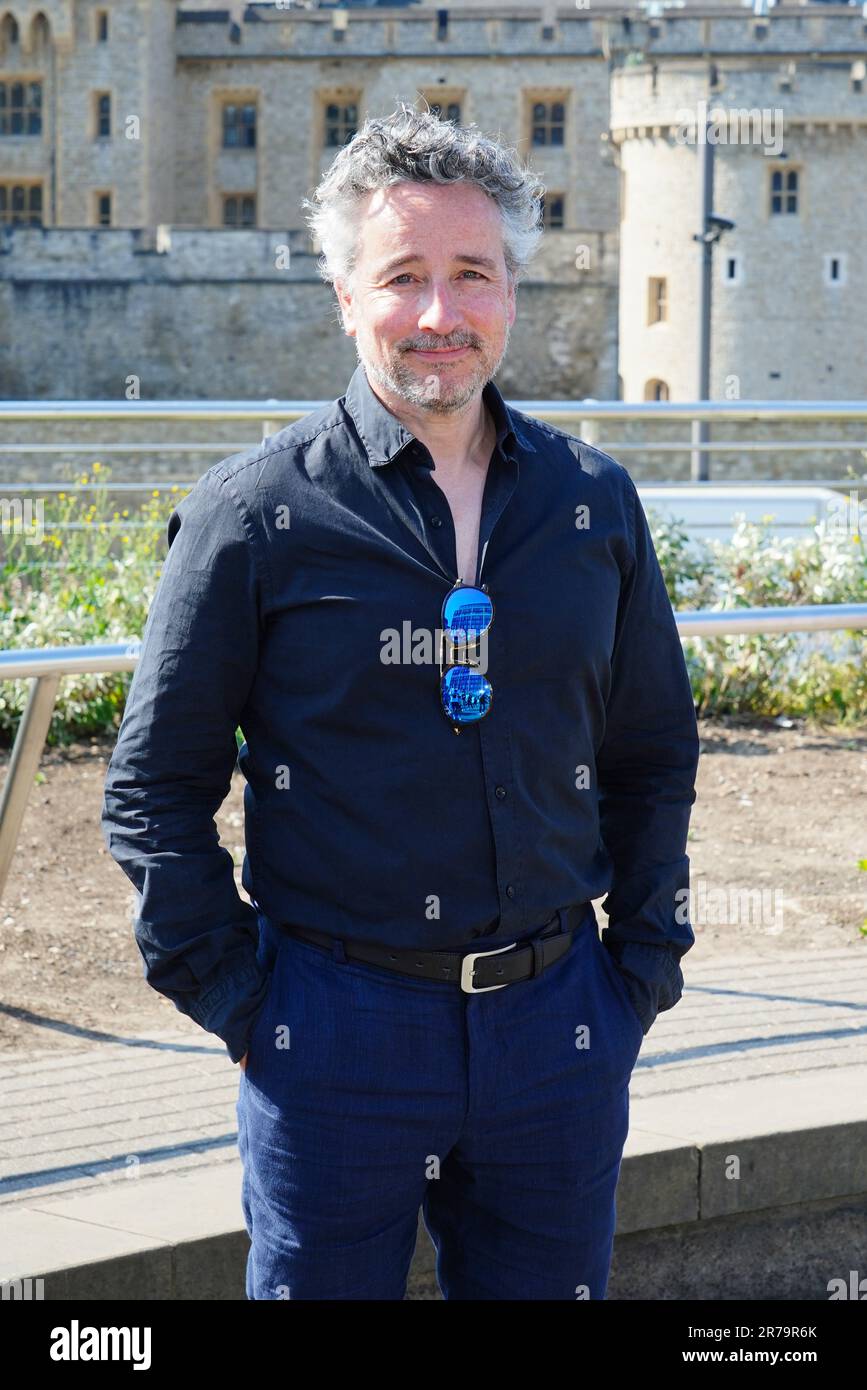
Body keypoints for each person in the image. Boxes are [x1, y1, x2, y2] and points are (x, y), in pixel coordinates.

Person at [101, 103, 700, 1300]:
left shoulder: (595, 503)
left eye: (471, 273)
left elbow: (651, 753)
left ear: (513, 293)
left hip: (557, 1028)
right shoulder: (255, 516)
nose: (439, 314)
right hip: (333, 1032)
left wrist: (638, 971)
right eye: (403, 277)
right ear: (343, 295)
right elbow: (154, 788)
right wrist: (242, 1004)